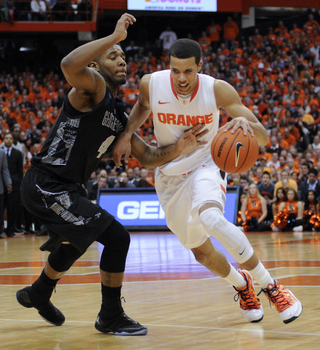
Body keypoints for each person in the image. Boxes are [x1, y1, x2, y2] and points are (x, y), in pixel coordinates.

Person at [15, 14, 207, 336]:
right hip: (46, 184)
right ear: (97, 63)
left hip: (67, 189)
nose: (121, 60)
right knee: (117, 237)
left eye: (124, 56)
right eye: (113, 55)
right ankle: (110, 315)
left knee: (79, 241)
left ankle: (39, 292)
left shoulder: (119, 116)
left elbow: (146, 157)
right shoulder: (92, 87)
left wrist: (181, 147)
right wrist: (114, 36)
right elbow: (68, 65)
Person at [113, 38, 302, 324]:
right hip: (170, 174)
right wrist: (127, 134)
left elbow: (262, 136)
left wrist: (243, 124)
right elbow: (142, 106)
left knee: (211, 217)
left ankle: (272, 286)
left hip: (207, 163)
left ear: (199, 67)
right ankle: (242, 284)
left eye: (188, 71)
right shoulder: (151, 83)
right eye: (176, 70)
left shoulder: (217, 89)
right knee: (201, 253)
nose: (181, 78)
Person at [2, 132, 23, 237]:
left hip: (14, 185)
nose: (9, 140)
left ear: (13, 140)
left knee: (12, 209)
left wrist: (18, 184)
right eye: (6, 138)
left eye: (10, 138)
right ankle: (1, 230)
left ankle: (10, 230)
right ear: (3, 140)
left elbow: (20, 171)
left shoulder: (18, 153)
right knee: (1, 208)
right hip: (1, 185)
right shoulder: (0, 152)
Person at [0, 147, 12, 238]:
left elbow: (4, 169)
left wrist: (8, 183)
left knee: (0, 211)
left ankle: (0, 231)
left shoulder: (2, 152)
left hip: (0, 187)